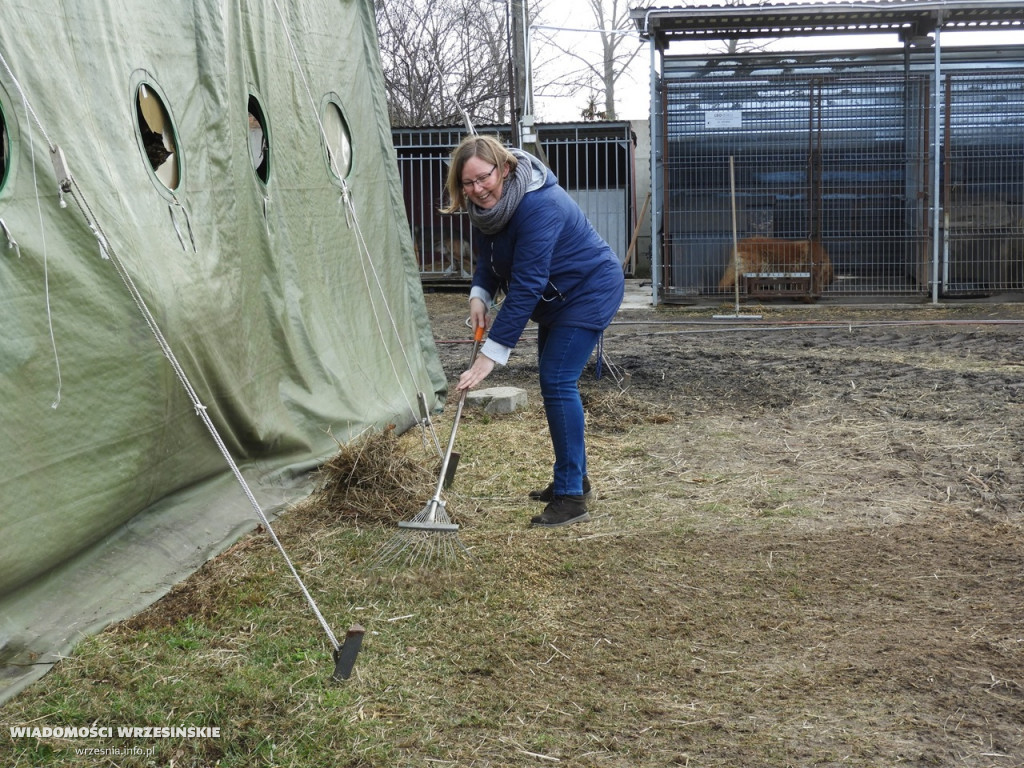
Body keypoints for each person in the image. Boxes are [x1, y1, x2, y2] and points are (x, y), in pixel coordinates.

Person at [444, 134, 625, 528]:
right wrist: (479, 295)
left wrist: (492, 355)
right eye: (467, 183)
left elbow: (527, 282)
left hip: (588, 290)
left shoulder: (539, 204)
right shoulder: (486, 209)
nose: (477, 189)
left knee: (557, 381)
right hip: (555, 298)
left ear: (505, 169)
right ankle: (575, 477)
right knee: (554, 383)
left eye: (483, 178)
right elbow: (490, 259)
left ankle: (572, 497)